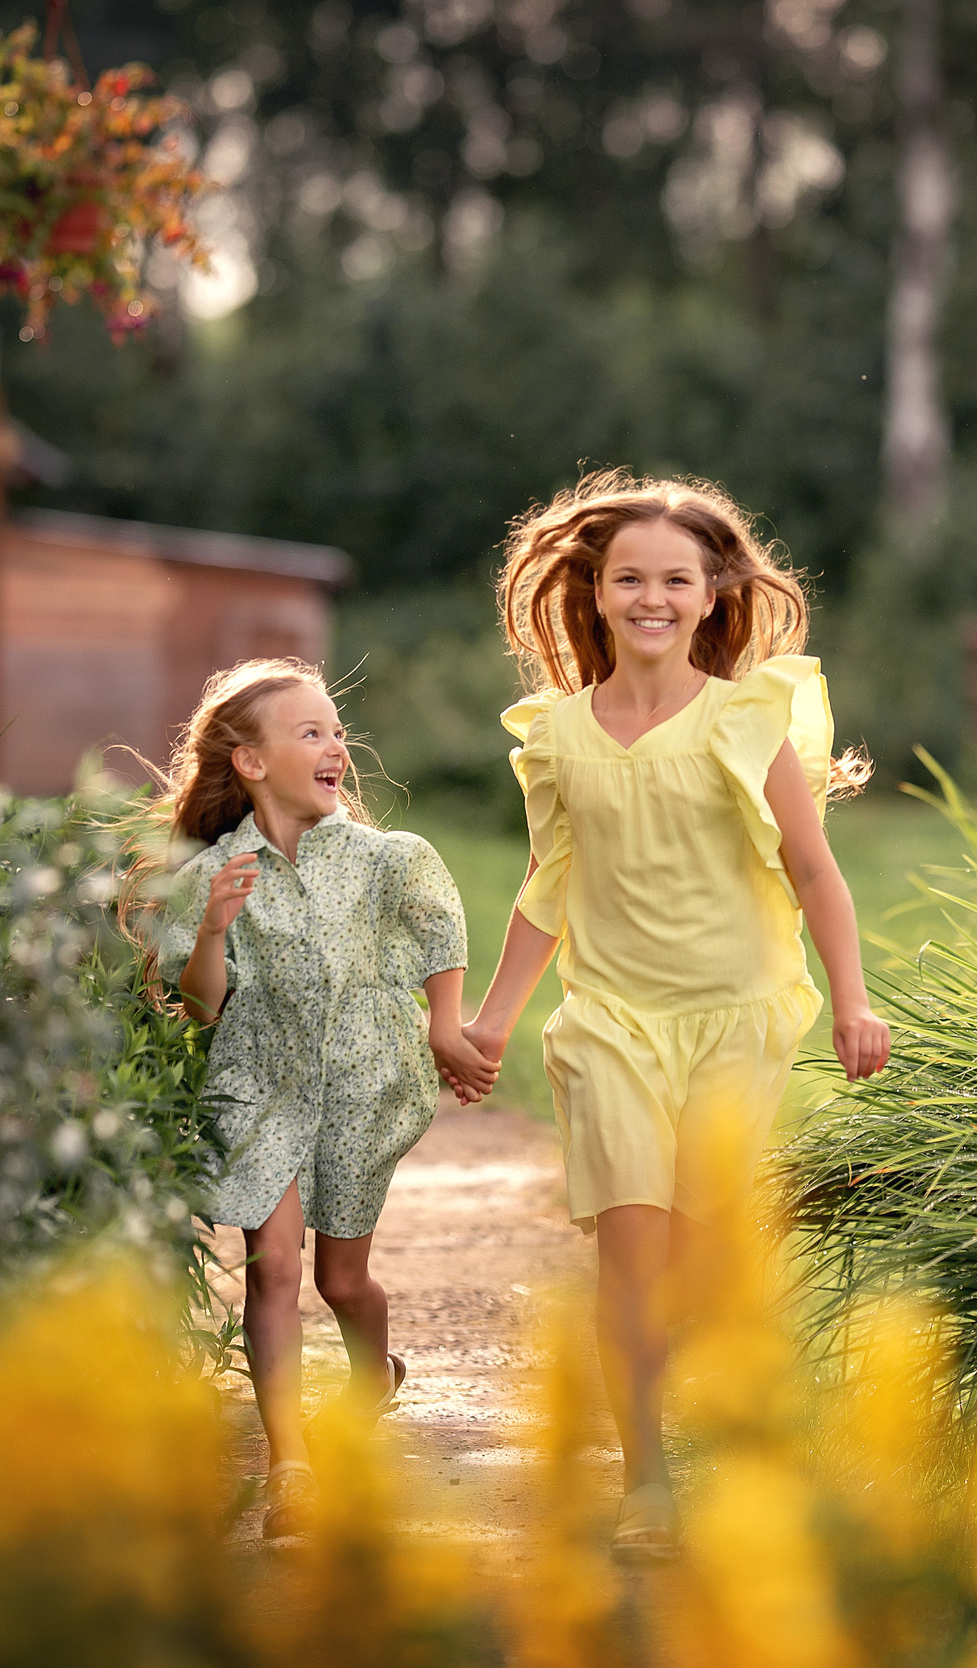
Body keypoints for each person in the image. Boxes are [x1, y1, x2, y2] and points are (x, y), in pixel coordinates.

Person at [452, 471, 894, 1559]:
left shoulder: (747, 721)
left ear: (712, 595)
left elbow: (815, 870)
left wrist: (852, 997)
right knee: (629, 1255)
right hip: (611, 1021)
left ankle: (736, 1434)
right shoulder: (556, 734)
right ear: (595, 593)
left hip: (736, 1016)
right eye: (629, 577)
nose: (651, 595)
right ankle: (645, 1477)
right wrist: (496, 1017)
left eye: (675, 579)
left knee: (703, 1264)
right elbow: (548, 879)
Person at [128, 658, 498, 1539]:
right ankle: (289, 1465)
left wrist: (447, 1025)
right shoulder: (217, 871)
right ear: (250, 763)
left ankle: (373, 1374)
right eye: (311, 732)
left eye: (336, 731)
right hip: (259, 1079)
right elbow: (202, 1003)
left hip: (363, 1081)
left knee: (341, 1278)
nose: (336, 745)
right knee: (277, 1268)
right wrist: (213, 928)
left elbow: (439, 926)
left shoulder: (384, 859)